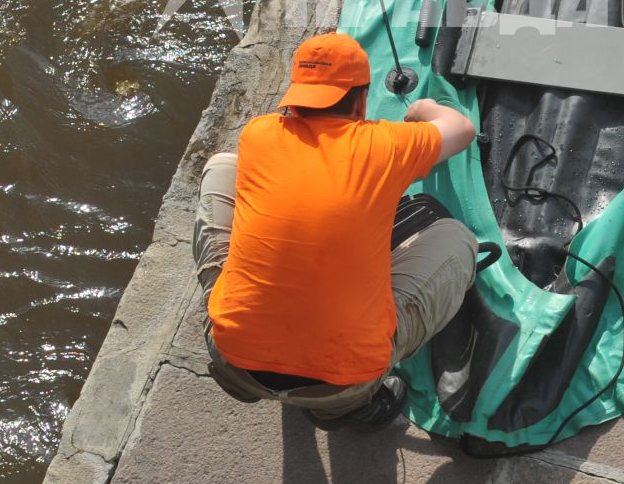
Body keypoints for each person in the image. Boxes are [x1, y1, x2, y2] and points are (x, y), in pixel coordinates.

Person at [193, 31, 479, 428]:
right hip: (344, 377)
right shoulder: (386, 144)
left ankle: (250, 382)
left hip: (232, 356)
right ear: (362, 100)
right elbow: (461, 128)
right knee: (459, 240)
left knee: (223, 165)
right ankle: (347, 407)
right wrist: (426, 107)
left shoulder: (258, 134)